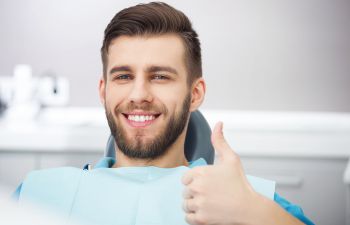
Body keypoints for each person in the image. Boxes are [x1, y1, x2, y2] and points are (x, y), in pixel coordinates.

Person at [14, 2, 314, 225]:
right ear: (103, 91)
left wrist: (256, 213)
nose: (139, 95)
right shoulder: (36, 194)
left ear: (194, 94)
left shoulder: (251, 202)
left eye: (160, 76)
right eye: (123, 76)